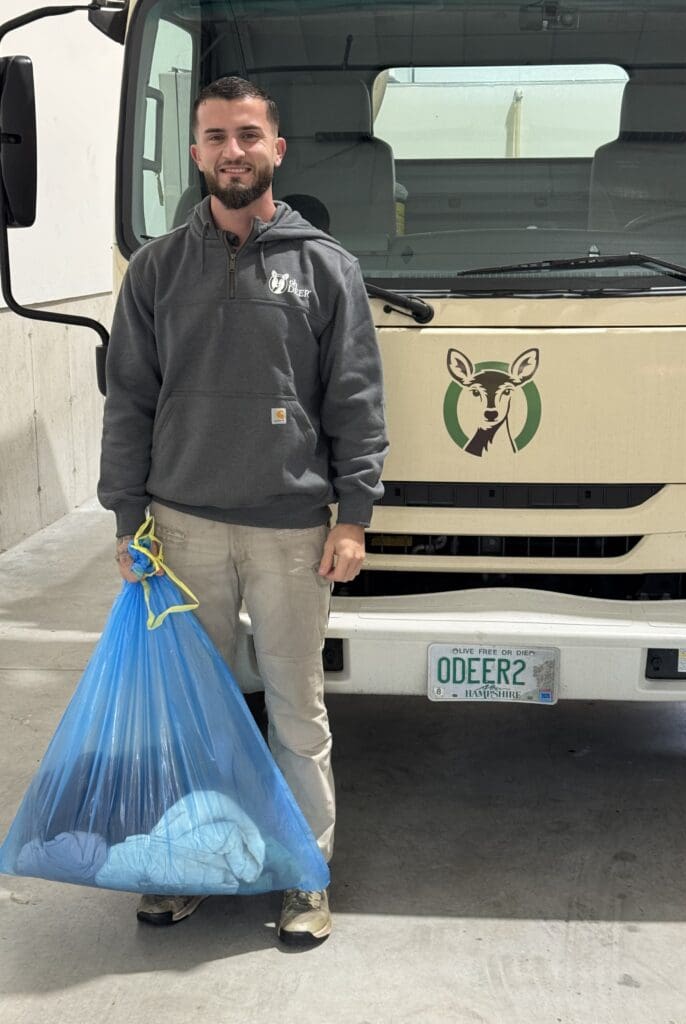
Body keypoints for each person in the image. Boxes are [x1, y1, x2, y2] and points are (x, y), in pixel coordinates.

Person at [98, 76, 388, 944]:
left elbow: (356, 402)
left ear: (277, 150)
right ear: (195, 154)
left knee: (298, 708)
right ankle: (193, 863)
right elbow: (129, 403)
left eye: (250, 135)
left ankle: (304, 872)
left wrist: (353, 515)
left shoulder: (327, 268)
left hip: (294, 528)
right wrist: (127, 521)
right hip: (183, 525)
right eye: (217, 136)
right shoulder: (156, 270)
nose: (234, 151)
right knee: (198, 709)